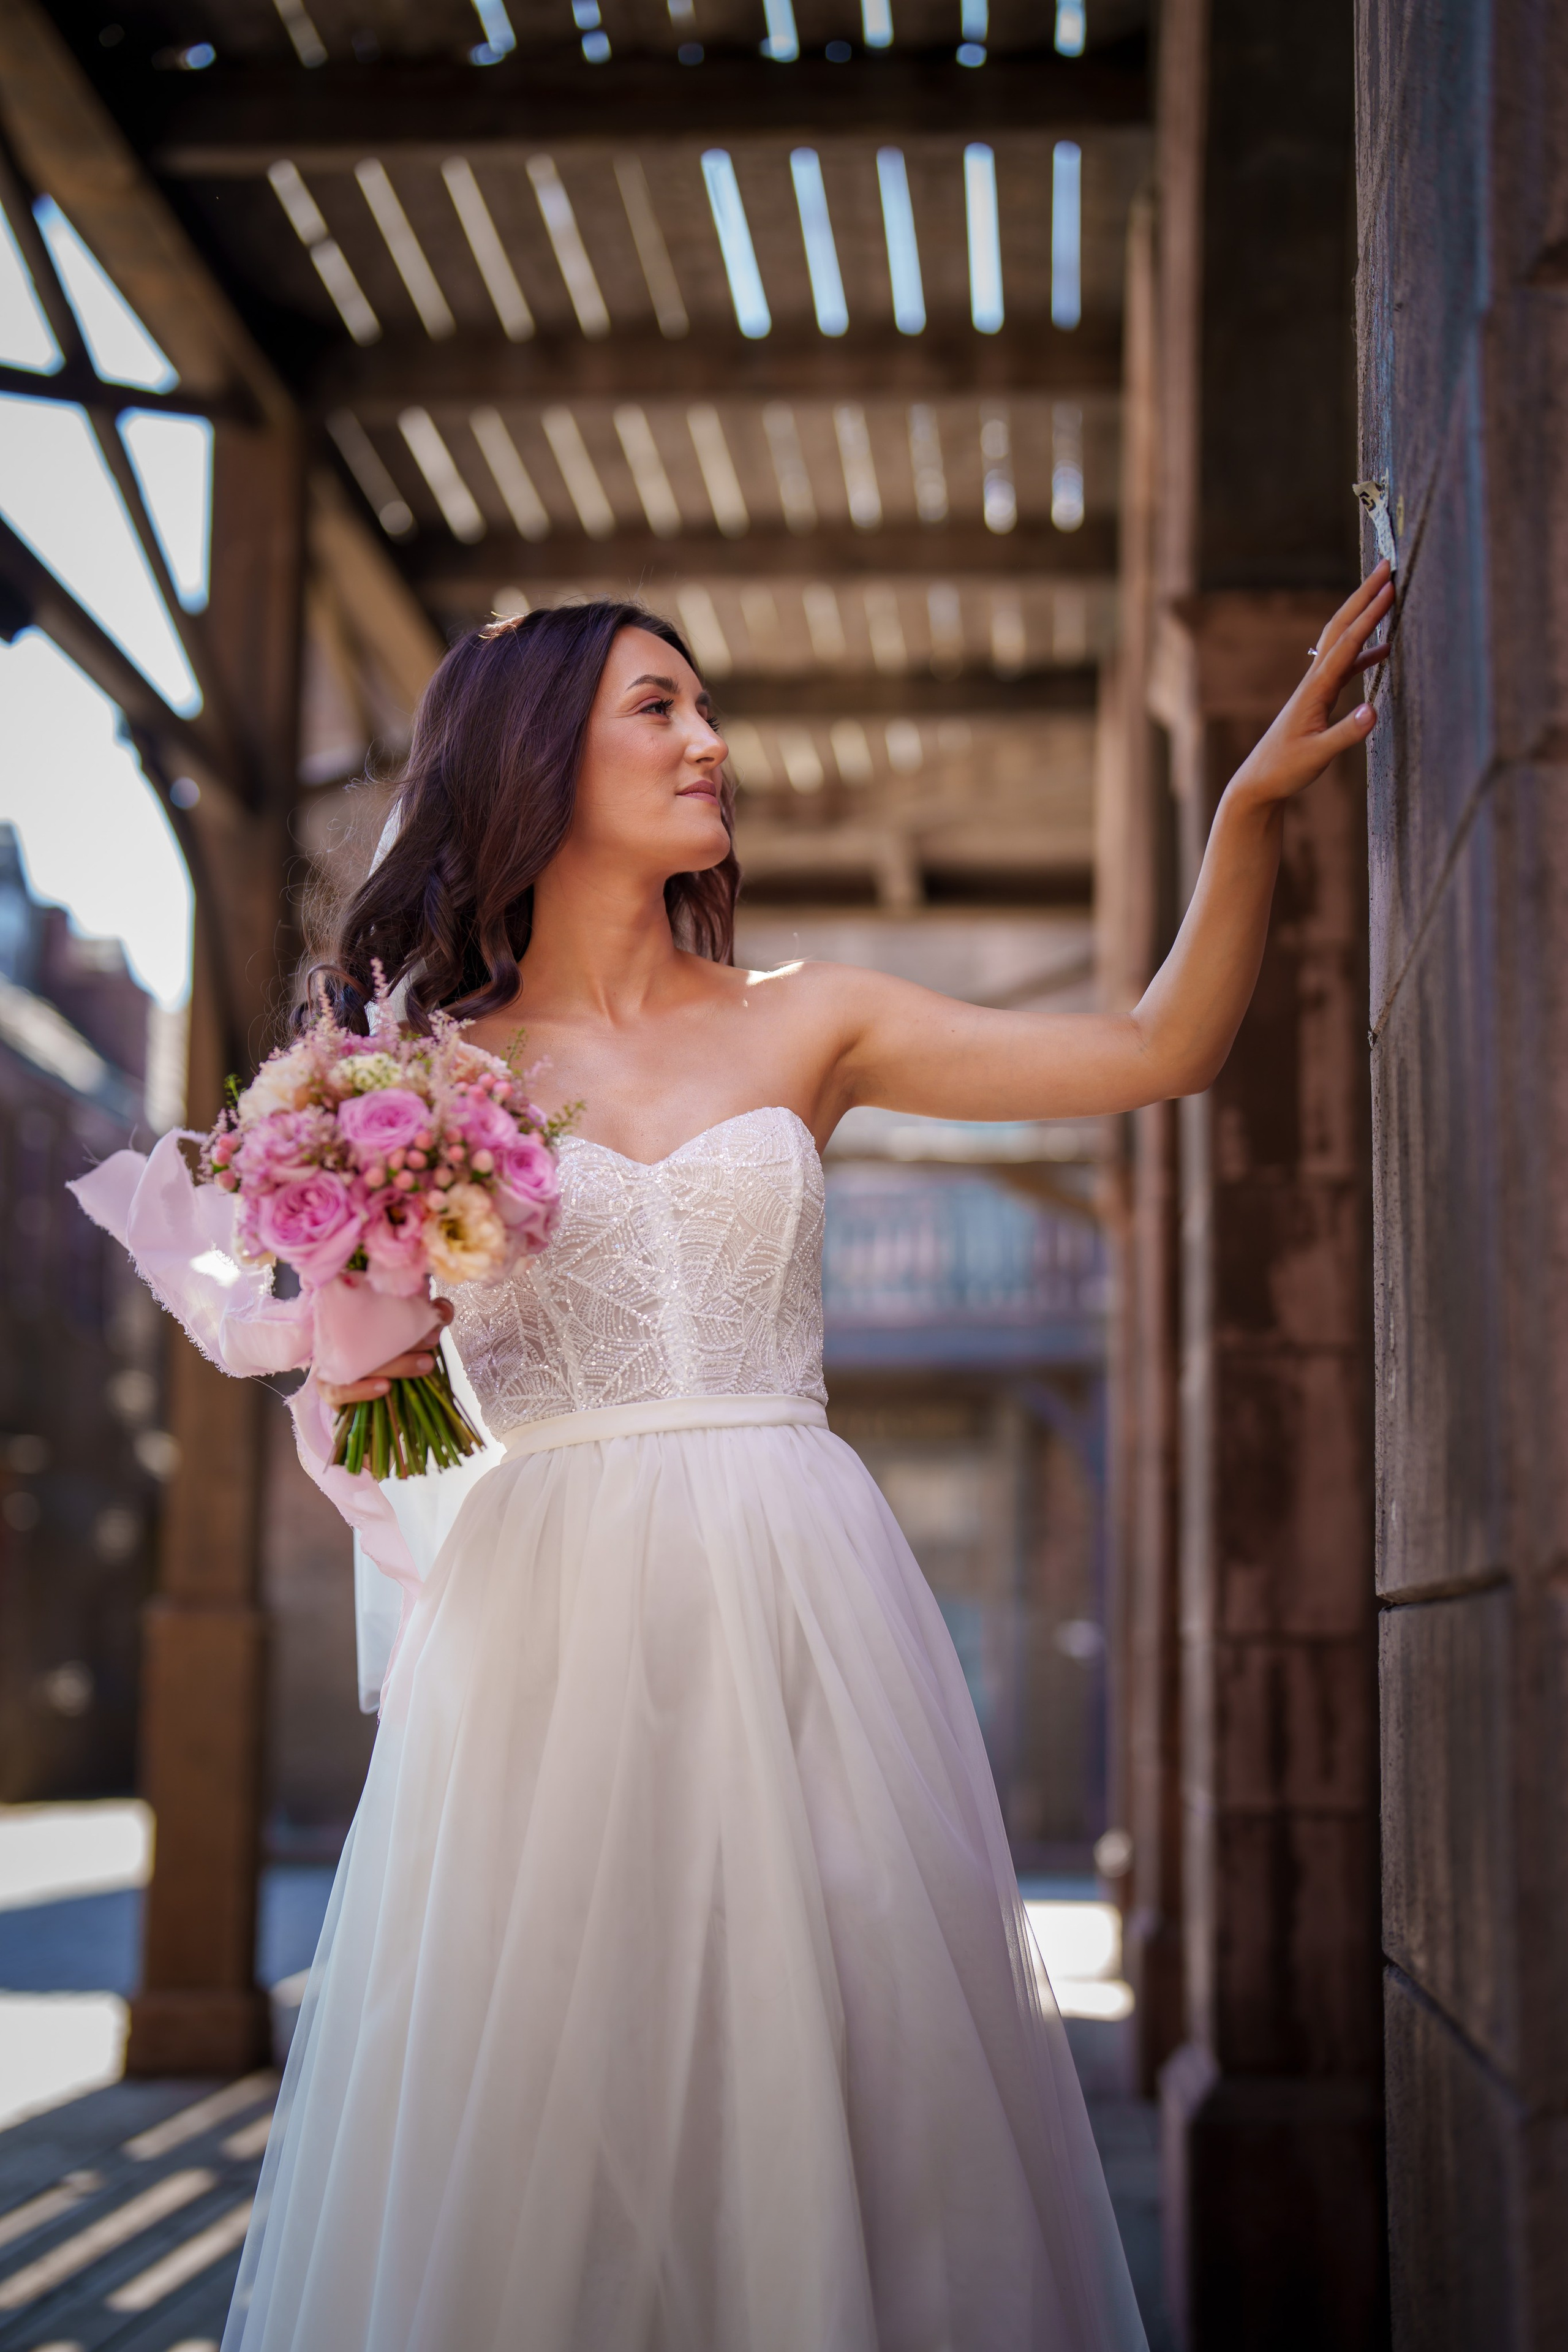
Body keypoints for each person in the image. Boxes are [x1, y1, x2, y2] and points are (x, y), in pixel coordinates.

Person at [212, 567, 1388, 2351]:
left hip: (802, 1589)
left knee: (851, 2057)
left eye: (705, 707)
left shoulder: (811, 1014)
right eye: (660, 708)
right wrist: (361, 1324)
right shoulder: (418, 1081)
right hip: (548, 1630)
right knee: (556, 2092)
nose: (712, 741)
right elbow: (384, 1409)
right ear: (538, 756)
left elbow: (1161, 1046)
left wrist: (1245, 813)